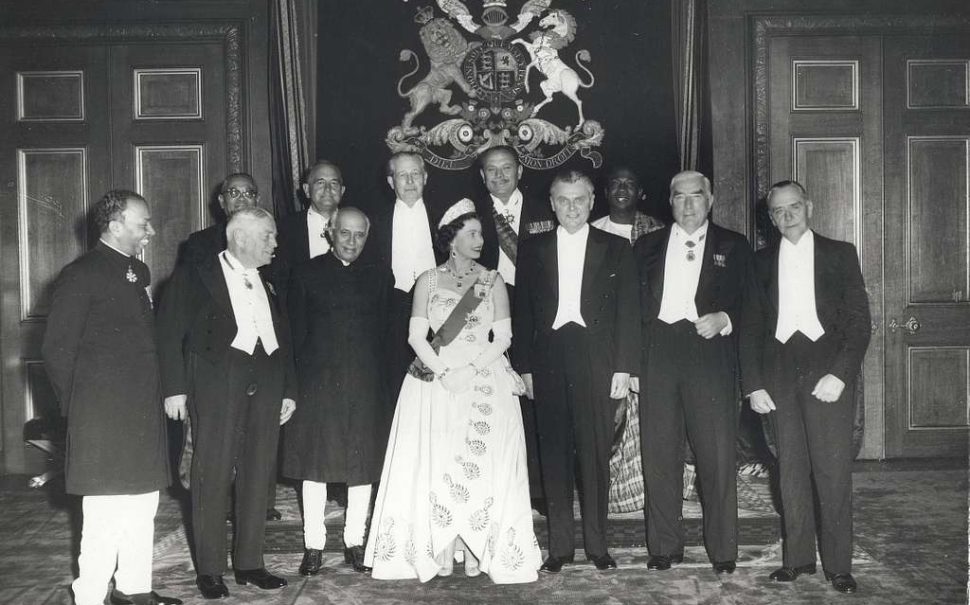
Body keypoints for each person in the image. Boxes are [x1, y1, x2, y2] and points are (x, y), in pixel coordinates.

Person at [364, 199, 541, 584]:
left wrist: (472, 369)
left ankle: (476, 542)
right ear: (452, 238)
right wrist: (445, 372)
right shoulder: (427, 279)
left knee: (479, 463)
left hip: (483, 377)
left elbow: (504, 336)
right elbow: (416, 336)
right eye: (472, 233)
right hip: (435, 379)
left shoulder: (492, 280)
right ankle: (442, 542)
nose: (480, 240)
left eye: (480, 234)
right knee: (439, 461)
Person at [42, 190, 181, 605]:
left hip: (140, 412)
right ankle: (88, 595)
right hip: (101, 417)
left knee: (143, 504)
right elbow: (56, 350)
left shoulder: (136, 271)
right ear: (115, 224)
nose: (151, 232)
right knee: (104, 514)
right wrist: (81, 410)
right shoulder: (81, 274)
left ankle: (134, 589)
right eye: (143, 224)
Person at [156, 207, 297, 599]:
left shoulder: (269, 281)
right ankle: (211, 569)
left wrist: (289, 389)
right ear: (240, 237)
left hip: (266, 384)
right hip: (216, 383)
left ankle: (251, 563)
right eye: (268, 235)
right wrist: (174, 389)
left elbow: (284, 340)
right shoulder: (194, 274)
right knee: (211, 474)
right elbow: (168, 333)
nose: (275, 242)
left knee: (258, 474)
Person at [512, 170, 640, 573]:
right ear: (551, 204)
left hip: (597, 359)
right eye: (563, 200)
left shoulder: (617, 248)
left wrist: (623, 367)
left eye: (579, 200)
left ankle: (598, 546)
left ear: (591, 202)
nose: (571, 207)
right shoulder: (532, 249)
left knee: (595, 454)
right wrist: (526, 369)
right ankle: (561, 548)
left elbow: (629, 313)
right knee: (553, 456)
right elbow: (523, 313)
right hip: (548, 360)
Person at [747, 180, 871, 594]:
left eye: (794, 207)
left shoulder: (840, 254)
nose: (787, 216)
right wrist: (753, 384)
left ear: (809, 206)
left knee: (832, 473)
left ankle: (838, 566)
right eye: (778, 211)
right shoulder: (760, 261)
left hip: (826, 373)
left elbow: (858, 323)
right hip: (779, 373)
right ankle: (797, 560)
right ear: (770, 217)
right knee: (790, 472)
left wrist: (840, 374)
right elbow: (750, 328)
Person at [634, 170, 761, 574]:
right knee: (659, 454)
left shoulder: (734, 245)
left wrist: (724, 317)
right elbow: (630, 308)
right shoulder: (647, 246)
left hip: (710, 355)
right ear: (668, 201)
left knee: (716, 455)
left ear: (710, 199)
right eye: (679, 197)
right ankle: (664, 547)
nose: (688, 205)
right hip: (658, 354)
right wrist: (633, 363)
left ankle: (723, 550)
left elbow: (754, 305)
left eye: (696, 196)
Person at [282, 207, 394, 576]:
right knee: (315, 465)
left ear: (368, 235)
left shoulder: (379, 275)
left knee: (361, 466)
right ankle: (313, 545)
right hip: (318, 384)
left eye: (359, 235)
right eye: (344, 233)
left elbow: (385, 334)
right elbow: (294, 335)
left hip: (365, 383)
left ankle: (355, 542)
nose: (351, 242)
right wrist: (294, 387)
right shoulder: (306, 273)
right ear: (330, 232)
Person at [475, 145, 555, 513]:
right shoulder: (471, 215)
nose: (500, 176)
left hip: (538, 314)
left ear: (520, 171)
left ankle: (538, 488)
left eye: (507, 168)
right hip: (490, 313)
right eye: (492, 170)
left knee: (536, 399)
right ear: (482, 176)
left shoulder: (546, 209)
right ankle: (497, 481)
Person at [591, 166, 665, 515]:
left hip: (651, 335)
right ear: (605, 193)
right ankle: (619, 491)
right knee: (613, 416)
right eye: (616, 184)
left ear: (641, 193)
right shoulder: (593, 232)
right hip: (609, 336)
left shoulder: (659, 232)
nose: (623, 189)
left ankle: (655, 490)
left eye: (630, 184)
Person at [370, 151, 439, 395]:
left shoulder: (444, 216)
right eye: (402, 175)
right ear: (391, 182)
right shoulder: (374, 221)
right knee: (396, 386)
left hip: (438, 309)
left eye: (415, 174)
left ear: (425, 177)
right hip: (392, 310)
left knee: (436, 386)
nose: (409, 181)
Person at [273, 160, 346, 301]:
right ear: (306, 190)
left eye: (334, 183)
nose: (328, 189)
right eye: (320, 183)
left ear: (342, 191)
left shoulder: (358, 225)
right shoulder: (284, 229)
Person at [180, 173, 260, 266]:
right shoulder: (200, 243)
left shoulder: (275, 240)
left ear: (257, 200)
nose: (241, 198)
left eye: (249, 193)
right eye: (233, 193)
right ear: (222, 201)